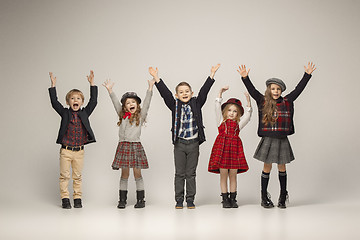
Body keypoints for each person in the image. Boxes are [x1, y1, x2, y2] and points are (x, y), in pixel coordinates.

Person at [237, 62, 316, 208]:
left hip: (282, 139)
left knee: (282, 167)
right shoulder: (263, 101)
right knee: (267, 167)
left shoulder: (287, 101)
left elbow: (298, 89)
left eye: (278, 89)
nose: (276, 91)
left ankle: (282, 196)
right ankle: (264, 197)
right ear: (269, 90)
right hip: (268, 139)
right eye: (273, 88)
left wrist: (307, 75)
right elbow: (253, 91)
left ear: (281, 91)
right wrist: (245, 78)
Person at [149, 64, 219, 209]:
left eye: (187, 91)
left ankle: (190, 199)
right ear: (177, 95)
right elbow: (165, 94)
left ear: (191, 93)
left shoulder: (196, 103)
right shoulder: (174, 105)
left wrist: (211, 75)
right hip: (180, 144)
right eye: (181, 92)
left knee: (191, 173)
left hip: (193, 143)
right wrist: (156, 78)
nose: (184, 93)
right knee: (180, 173)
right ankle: (179, 200)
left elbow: (204, 92)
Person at [103, 77, 155, 209]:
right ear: (124, 107)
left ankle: (141, 200)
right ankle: (122, 200)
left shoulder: (140, 116)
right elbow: (115, 103)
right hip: (123, 146)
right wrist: (110, 91)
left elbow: (147, 103)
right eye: (128, 103)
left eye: (133, 102)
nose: (131, 104)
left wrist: (150, 88)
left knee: (137, 174)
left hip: (135, 146)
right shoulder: (122, 115)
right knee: (124, 174)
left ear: (137, 105)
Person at [48, 70, 97, 209]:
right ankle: (65, 198)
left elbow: (94, 101)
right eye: (72, 98)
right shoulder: (65, 113)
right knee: (64, 176)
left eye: (78, 99)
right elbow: (54, 102)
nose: (75, 100)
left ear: (82, 101)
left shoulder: (85, 113)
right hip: (66, 150)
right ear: (68, 101)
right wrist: (53, 86)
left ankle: (77, 198)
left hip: (79, 151)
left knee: (77, 176)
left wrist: (92, 84)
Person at [208, 86, 252, 208]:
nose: (232, 113)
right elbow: (216, 107)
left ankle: (233, 199)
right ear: (225, 111)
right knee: (223, 175)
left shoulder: (238, 124)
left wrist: (248, 102)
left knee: (233, 175)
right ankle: (225, 199)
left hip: (234, 150)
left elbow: (248, 117)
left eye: (235, 111)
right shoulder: (221, 121)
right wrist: (220, 93)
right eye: (229, 110)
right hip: (222, 149)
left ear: (238, 114)